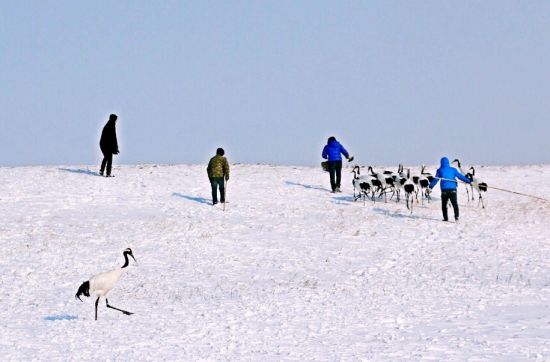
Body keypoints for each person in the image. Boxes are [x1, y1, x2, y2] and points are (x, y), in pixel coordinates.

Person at [428, 156, 472, 222]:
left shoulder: (439, 170)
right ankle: (456, 218)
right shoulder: (453, 170)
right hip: (453, 190)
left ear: (441, 163)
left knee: (444, 205)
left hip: (444, 191)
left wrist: (430, 186)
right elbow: (460, 176)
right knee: (455, 204)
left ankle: (445, 218)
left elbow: (435, 180)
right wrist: (468, 181)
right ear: (448, 162)